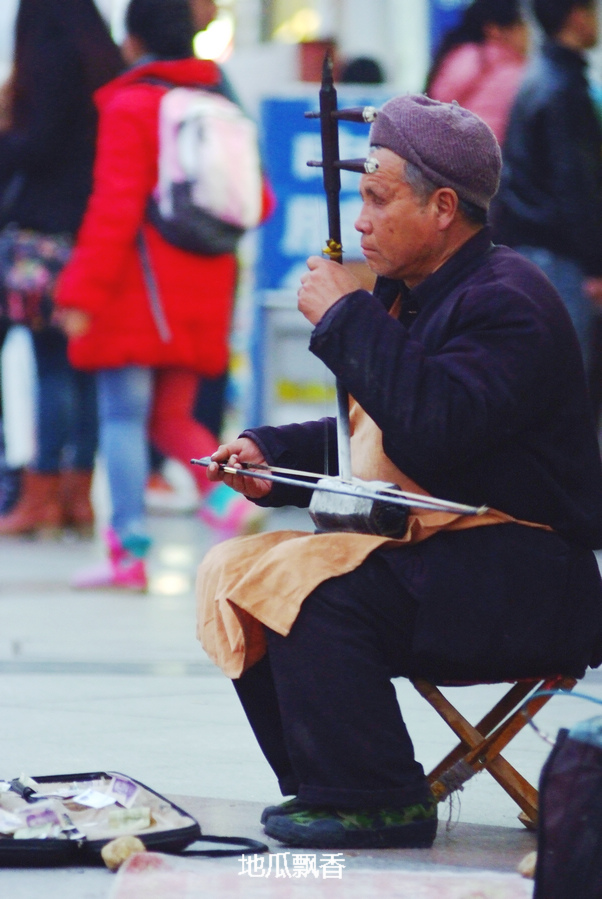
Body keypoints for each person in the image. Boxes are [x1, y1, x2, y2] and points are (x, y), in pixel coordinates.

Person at [195, 94, 602, 850]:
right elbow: (377, 435)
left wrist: (344, 320)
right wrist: (271, 459)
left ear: (443, 206)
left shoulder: (511, 302)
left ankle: (377, 796)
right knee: (236, 568)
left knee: (318, 588)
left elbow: (437, 432)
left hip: (529, 574)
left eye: (379, 198)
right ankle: (327, 780)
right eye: (359, 197)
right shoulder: (410, 298)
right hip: (453, 552)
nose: (360, 220)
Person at [56, 0, 272, 591]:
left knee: (122, 419)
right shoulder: (219, 104)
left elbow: (113, 210)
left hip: (138, 292)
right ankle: (225, 501)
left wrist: (79, 292)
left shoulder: (131, 105)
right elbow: (262, 200)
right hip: (205, 286)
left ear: (131, 41)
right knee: (170, 416)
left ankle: (127, 555)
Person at [0, 0, 123, 538]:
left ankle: (41, 495)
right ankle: (78, 496)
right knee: (84, 366)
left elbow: (40, 145)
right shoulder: (104, 60)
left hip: (45, 233)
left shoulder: (48, 56)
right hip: (94, 229)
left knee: (51, 361)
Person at [494, 0, 602, 377]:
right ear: (577, 15)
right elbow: (575, 185)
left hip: (533, 248)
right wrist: (595, 263)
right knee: (566, 377)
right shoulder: (563, 87)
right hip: (560, 257)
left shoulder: (539, 76)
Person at [426, 0, 528, 145]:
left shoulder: (461, 55)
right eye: (521, 25)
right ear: (495, 30)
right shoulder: (508, 70)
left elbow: (438, 101)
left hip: (448, 152)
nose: (527, 33)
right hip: (489, 158)